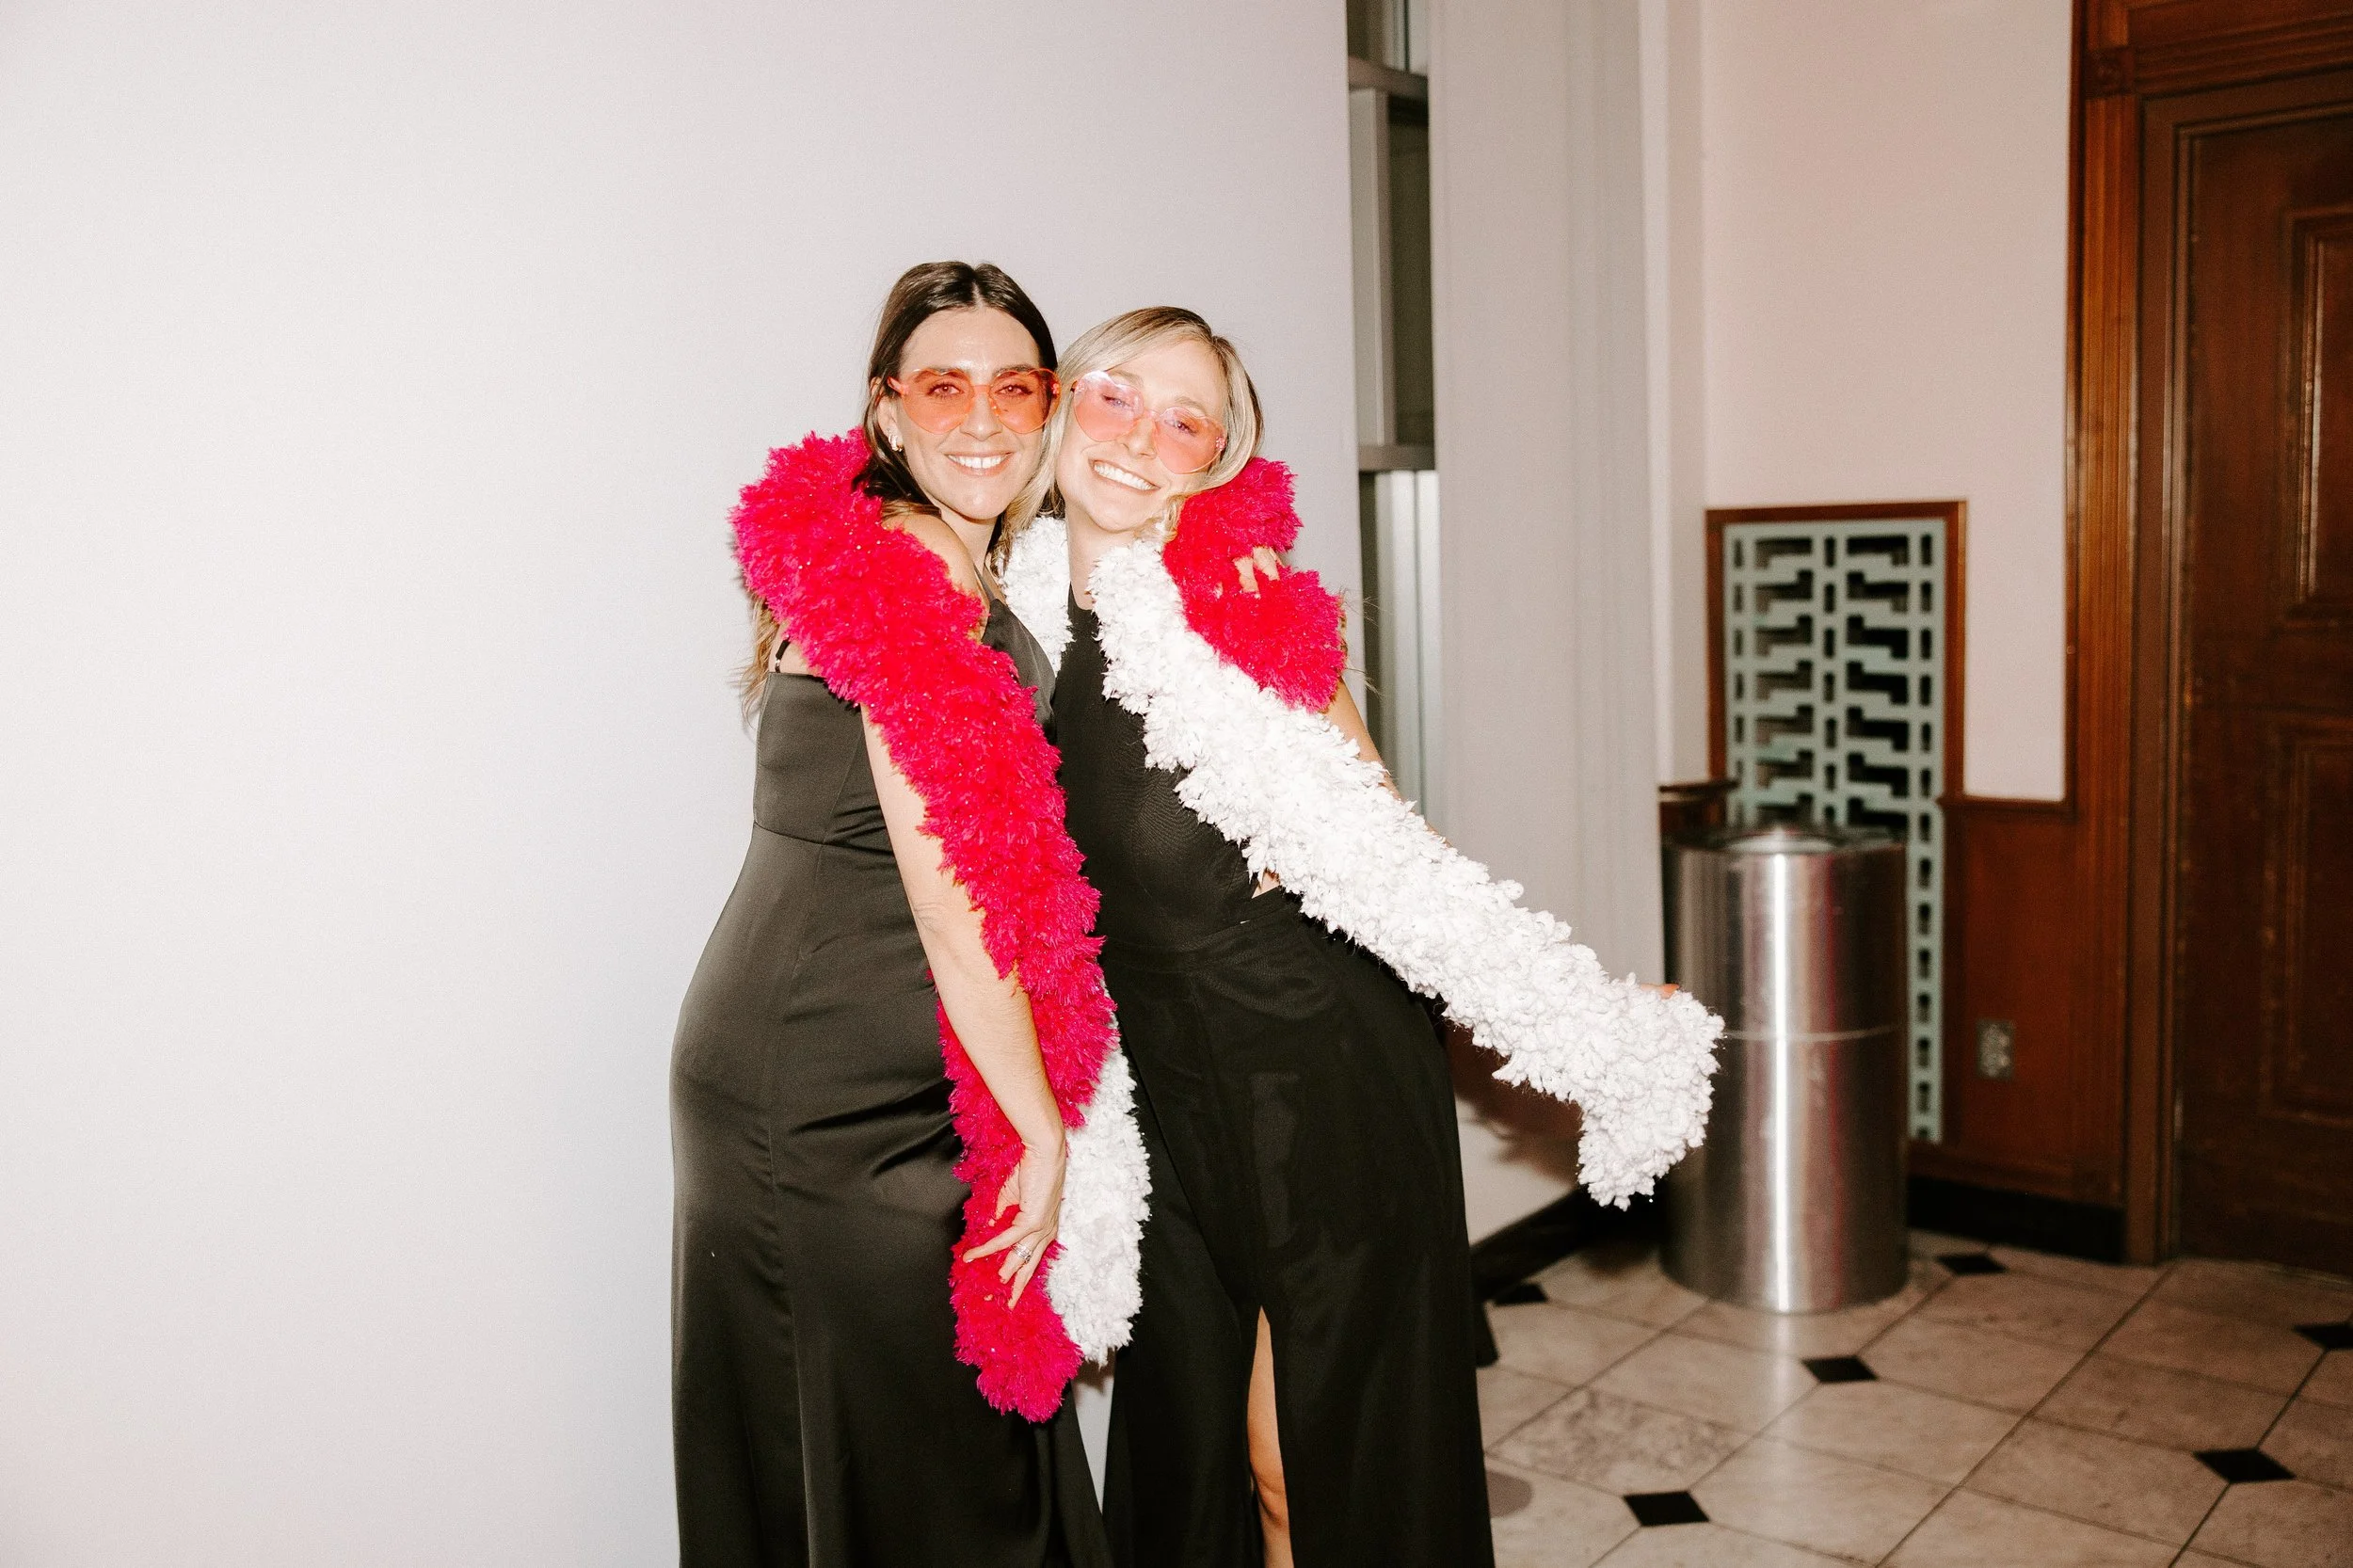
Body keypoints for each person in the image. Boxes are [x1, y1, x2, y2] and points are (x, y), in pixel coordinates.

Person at [1000, 308, 1720, 1568]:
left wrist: (1591, 1033)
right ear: (1062, 403)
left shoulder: (1235, 614)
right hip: (1168, 1103)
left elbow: (1394, 864)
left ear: (1216, 461)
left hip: (1321, 1084)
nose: (1139, 438)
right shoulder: (1014, 617)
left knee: (1307, 1470)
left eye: (1185, 421)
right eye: (1117, 396)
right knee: (1191, 1456)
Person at [669, 262, 1135, 1568]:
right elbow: (953, 883)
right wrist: (1040, 1124)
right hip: (839, 1095)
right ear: (886, 409)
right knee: (929, 1475)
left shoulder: (936, 549)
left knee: (901, 1459)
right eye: (943, 387)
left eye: (1014, 388)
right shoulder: (911, 560)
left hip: (850, 1051)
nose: (982, 418)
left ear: (1047, 405)